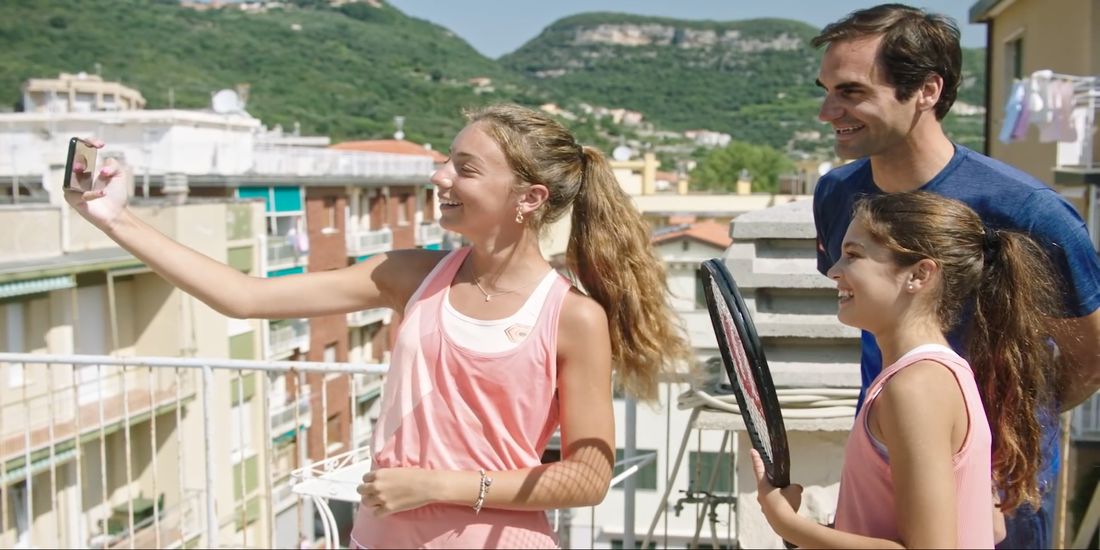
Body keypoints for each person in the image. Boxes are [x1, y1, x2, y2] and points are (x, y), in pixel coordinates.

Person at [66, 103, 689, 549]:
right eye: (447, 161)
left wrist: (436, 485)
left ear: (527, 198)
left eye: (465, 169)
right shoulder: (409, 274)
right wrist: (112, 219)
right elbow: (244, 297)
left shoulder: (571, 316)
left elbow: (588, 478)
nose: (439, 176)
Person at [810, 4, 1100, 547]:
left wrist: (993, 444)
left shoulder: (1030, 212)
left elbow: (1090, 357)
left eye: (850, 91)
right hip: (883, 473)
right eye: (825, 90)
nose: (827, 112)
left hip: (999, 502)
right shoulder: (836, 194)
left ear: (926, 90)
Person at [755, 191, 1056, 547]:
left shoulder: (915, 387)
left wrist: (787, 524)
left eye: (853, 255)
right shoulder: (939, 375)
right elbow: (990, 527)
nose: (834, 271)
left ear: (919, 274)